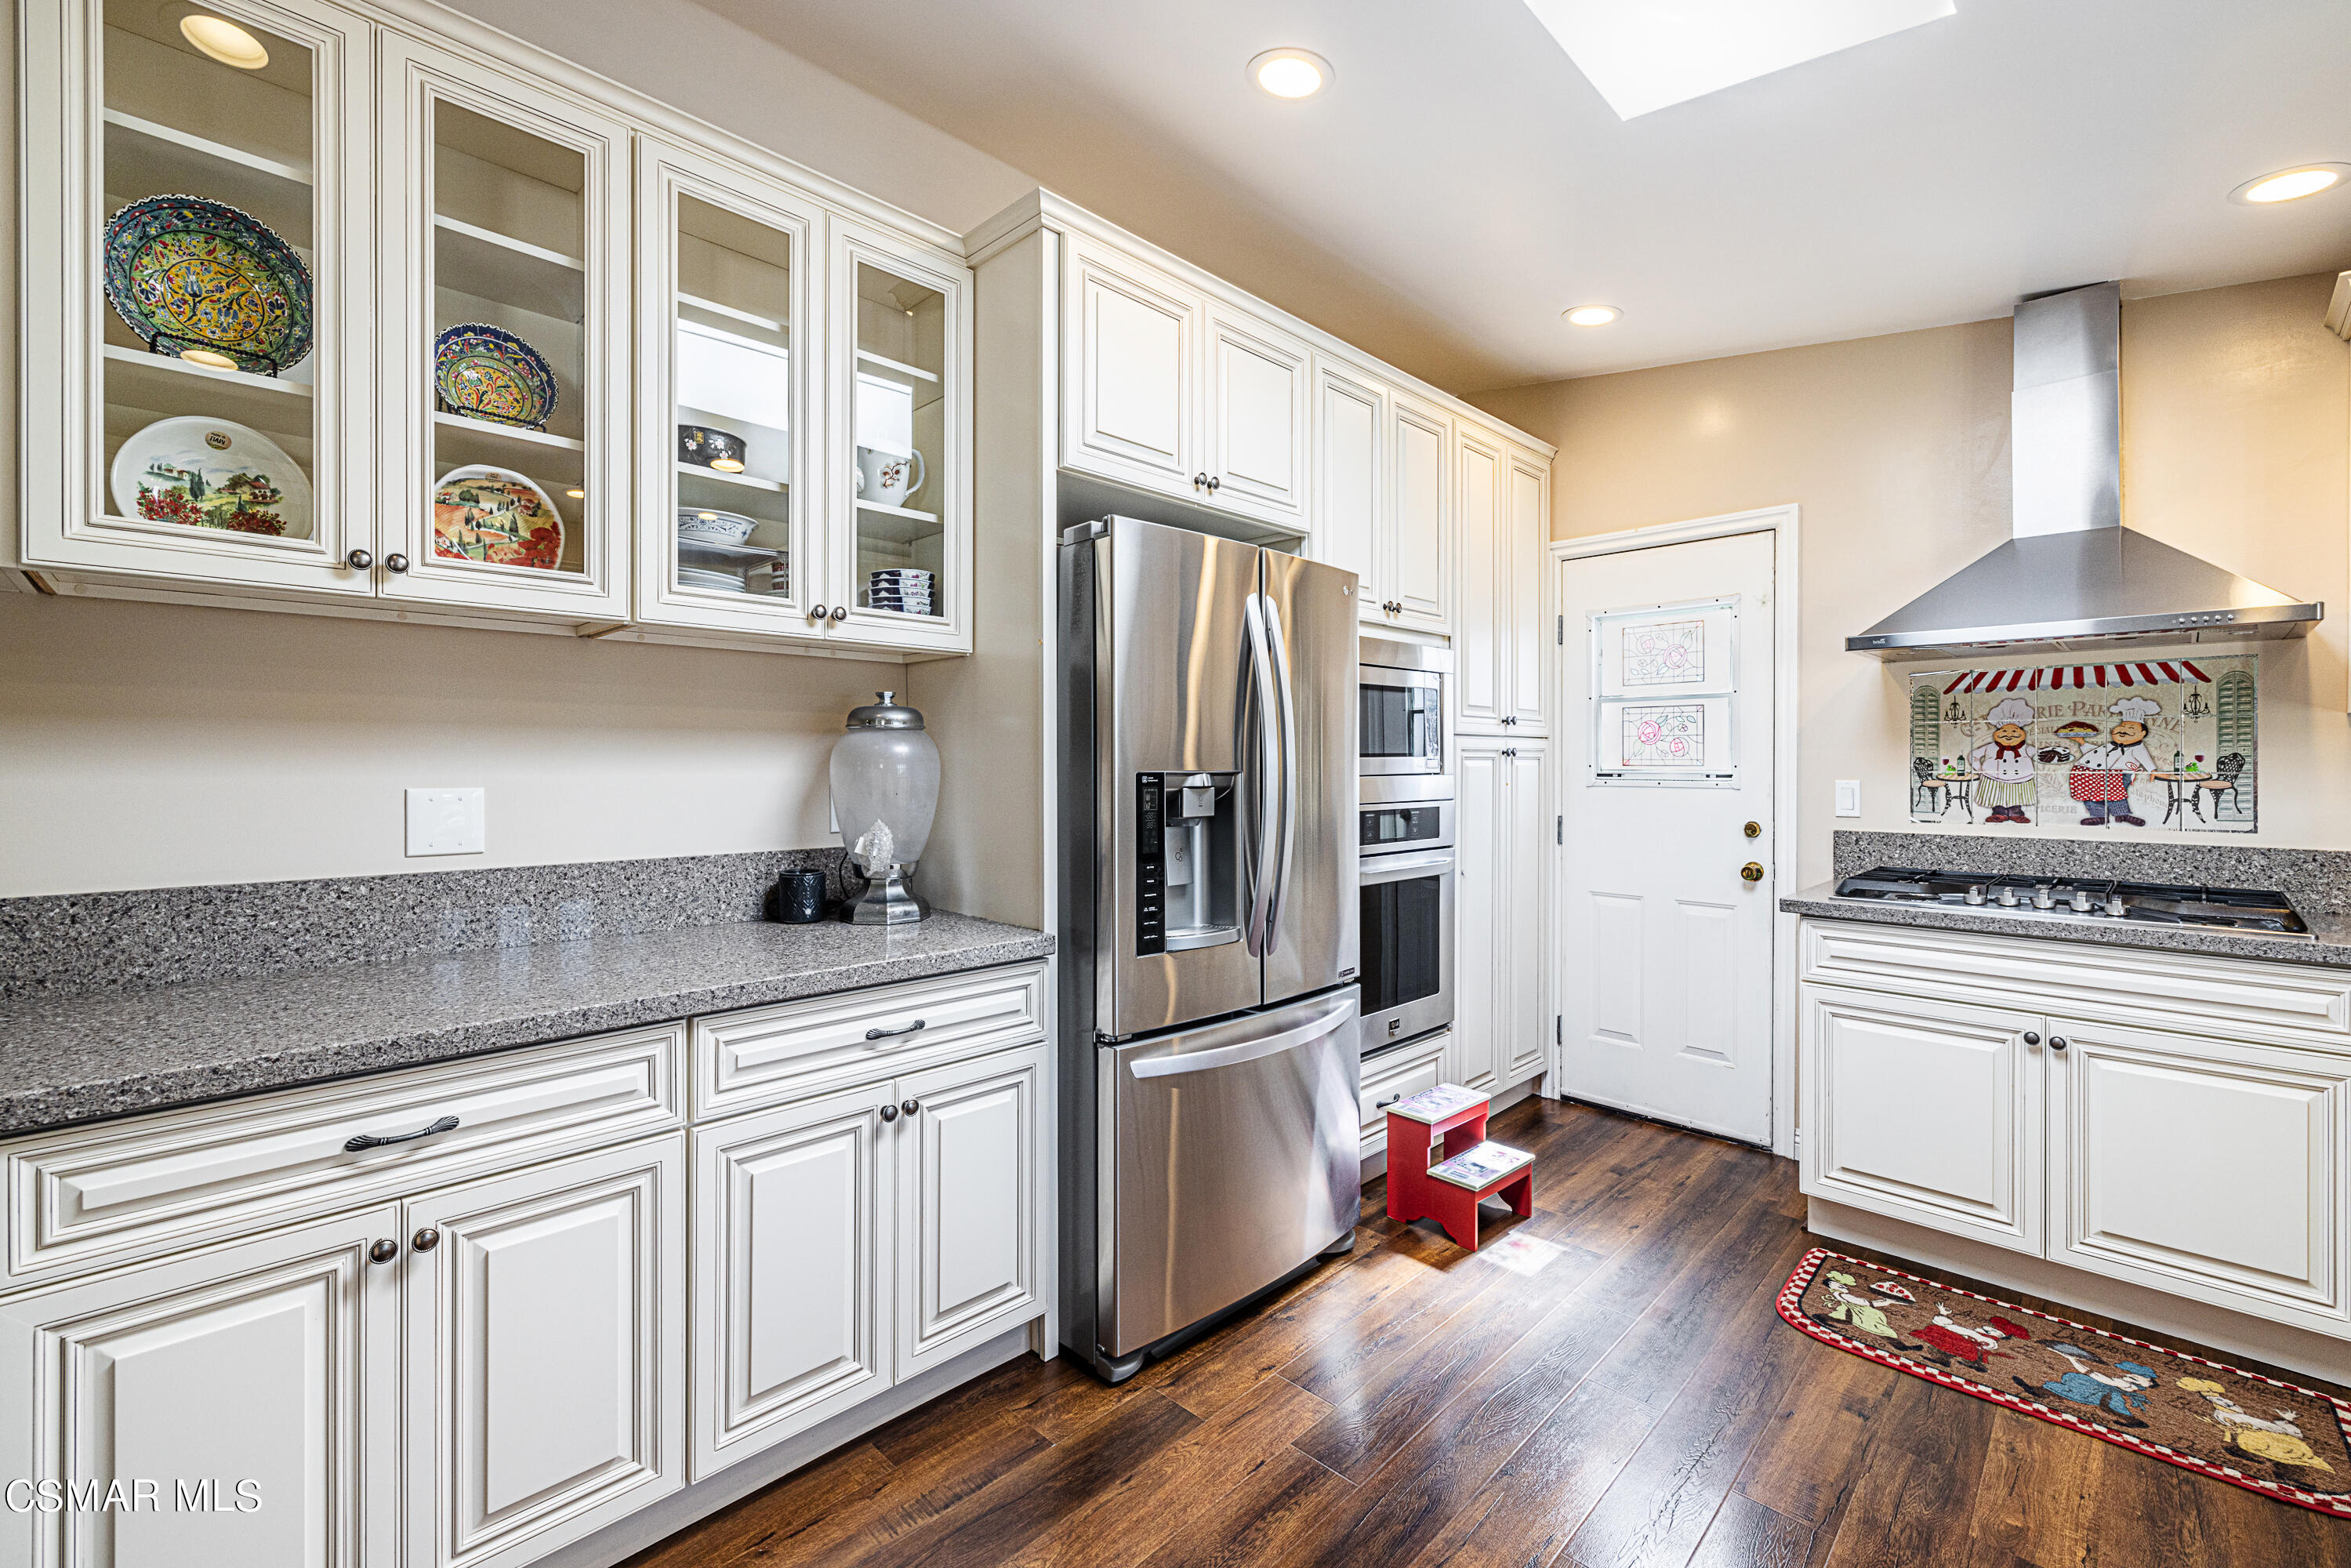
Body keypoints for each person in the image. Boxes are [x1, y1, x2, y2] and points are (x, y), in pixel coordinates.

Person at [2067, 697, 2158, 827]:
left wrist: (2153, 771)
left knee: (2115, 795)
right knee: (2089, 795)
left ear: (2142, 733)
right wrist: (2082, 742)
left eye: (2131, 728)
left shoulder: (2138, 748)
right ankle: (2099, 816)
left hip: (2117, 774)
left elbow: (2146, 759)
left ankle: (2122, 815)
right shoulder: (2111, 745)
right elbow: (2096, 753)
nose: (2123, 730)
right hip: (2089, 772)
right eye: (2122, 726)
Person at [1968, 696, 2039, 824]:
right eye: (2004, 731)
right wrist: (1980, 770)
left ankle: (2016, 814)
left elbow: (2039, 755)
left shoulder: (2026, 748)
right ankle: (1999, 813)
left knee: (2016, 797)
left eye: (2014, 731)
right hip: (1994, 779)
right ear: (1998, 732)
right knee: (1997, 797)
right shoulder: (1991, 747)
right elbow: (1973, 756)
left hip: (2020, 779)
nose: (2009, 734)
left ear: (2021, 732)